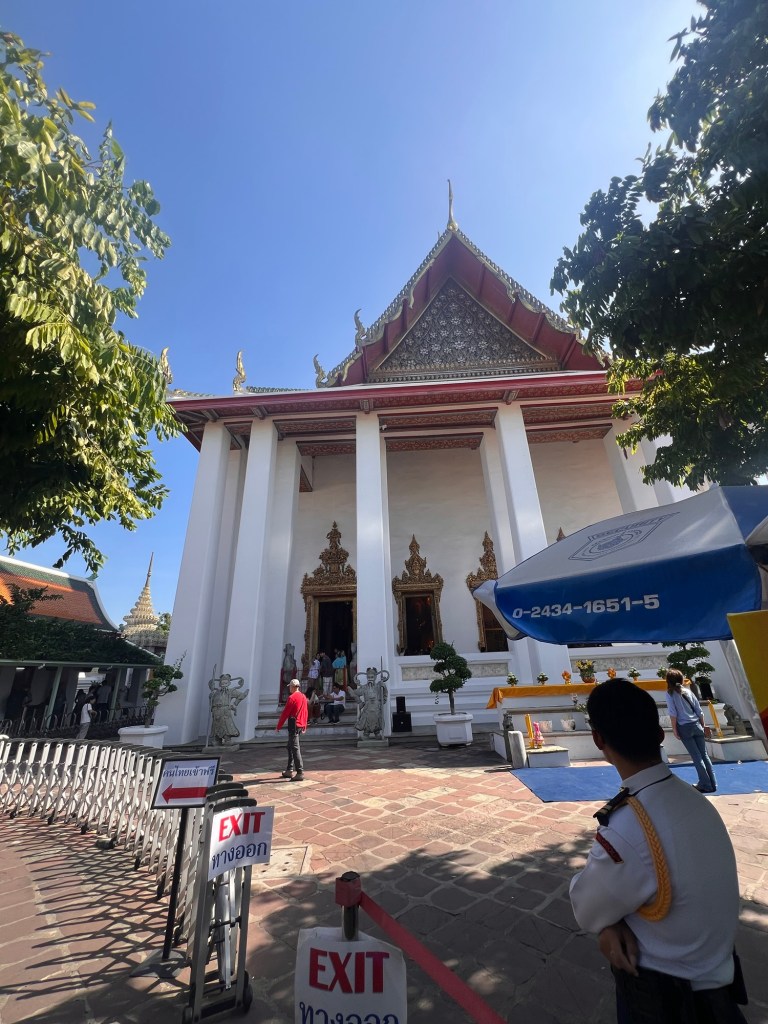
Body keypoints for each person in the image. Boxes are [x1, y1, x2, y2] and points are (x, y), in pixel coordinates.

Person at [570, 678, 746, 1023]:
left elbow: (587, 909)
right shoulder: (694, 800)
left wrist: (608, 924)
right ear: (660, 733)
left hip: (670, 1001)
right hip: (720, 987)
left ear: (598, 739)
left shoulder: (628, 828)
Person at [665, 669, 718, 793]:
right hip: (696, 724)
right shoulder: (688, 691)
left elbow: (673, 713)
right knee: (704, 755)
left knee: (696, 756)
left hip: (684, 727)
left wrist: (674, 729)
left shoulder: (670, 694)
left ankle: (705, 784)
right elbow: (699, 710)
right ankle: (713, 782)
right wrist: (703, 725)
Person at [276, 678, 308, 781]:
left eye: (290, 686)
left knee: (295, 748)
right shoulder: (303, 696)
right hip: (299, 724)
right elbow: (305, 712)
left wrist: (278, 726)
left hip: (293, 724)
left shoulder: (292, 698)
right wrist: (304, 725)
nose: (289, 688)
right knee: (290, 746)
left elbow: (285, 713)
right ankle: (289, 769)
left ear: (293, 687)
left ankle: (300, 772)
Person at [208, 672, 249, 746]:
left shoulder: (231, 691)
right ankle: (217, 739)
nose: (223, 684)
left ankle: (227, 739)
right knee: (216, 725)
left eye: (225, 683)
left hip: (225, 711)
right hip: (216, 711)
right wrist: (210, 698)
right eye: (222, 683)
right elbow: (212, 702)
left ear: (229, 683)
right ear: (220, 684)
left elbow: (242, 695)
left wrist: (235, 704)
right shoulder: (216, 692)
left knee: (227, 725)